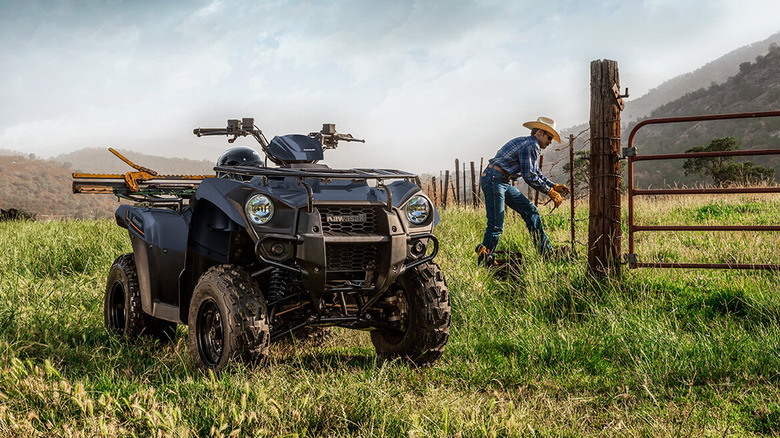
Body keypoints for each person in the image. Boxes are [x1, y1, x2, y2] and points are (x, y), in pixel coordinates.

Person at [476, 116, 570, 265]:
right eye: (549, 137)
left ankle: (547, 253)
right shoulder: (531, 145)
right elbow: (529, 176)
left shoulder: (529, 144)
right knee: (496, 224)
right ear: (539, 133)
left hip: (501, 180)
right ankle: (485, 261)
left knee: (531, 211)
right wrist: (549, 192)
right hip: (495, 179)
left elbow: (535, 173)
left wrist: (553, 186)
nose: (550, 141)